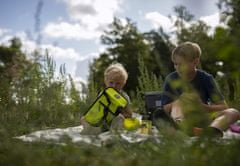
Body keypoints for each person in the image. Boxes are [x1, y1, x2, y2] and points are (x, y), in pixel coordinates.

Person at [162, 41, 240, 137]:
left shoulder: (206, 78)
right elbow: (163, 109)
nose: (177, 68)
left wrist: (204, 107)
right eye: (175, 64)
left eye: (181, 64)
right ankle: (183, 126)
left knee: (233, 112)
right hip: (180, 118)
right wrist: (180, 101)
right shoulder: (171, 79)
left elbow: (223, 107)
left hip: (203, 119)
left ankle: (210, 131)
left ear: (195, 62)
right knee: (179, 103)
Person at [80, 63, 132, 134]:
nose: (114, 86)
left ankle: (112, 132)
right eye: (111, 82)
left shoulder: (124, 97)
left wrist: (120, 114)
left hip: (113, 122)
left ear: (123, 84)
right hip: (101, 119)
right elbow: (97, 107)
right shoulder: (103, 94)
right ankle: (93, 129)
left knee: (120, 119)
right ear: (106, 82)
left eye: (118, 83)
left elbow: (129, 114)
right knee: (84, 118)